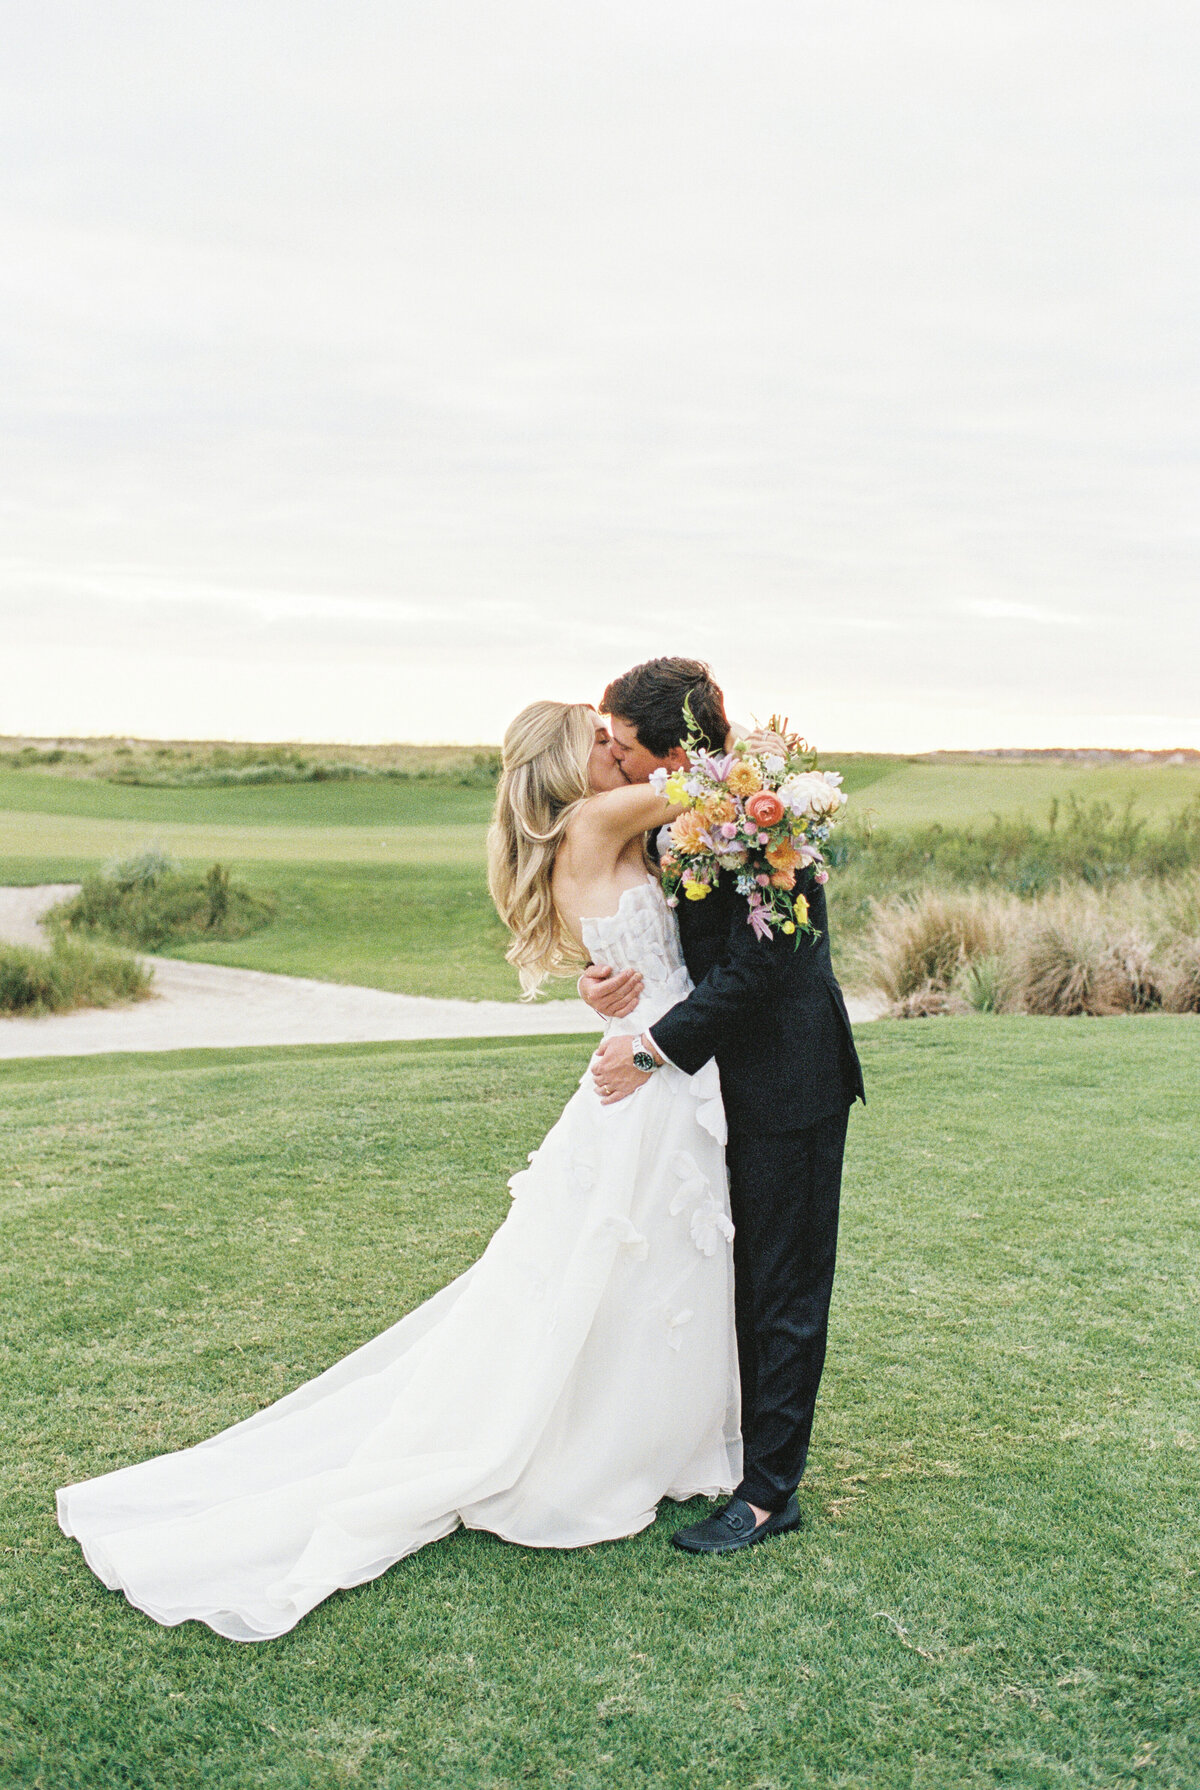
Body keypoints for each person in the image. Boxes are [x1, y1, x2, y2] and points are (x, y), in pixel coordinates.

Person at [56, 701, 740, 1642]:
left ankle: (651, 1438)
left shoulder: (595, 833)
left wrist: (607, 987)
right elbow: (711, 788)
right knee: (634, 1268)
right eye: (599, 737)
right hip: (650, 1083)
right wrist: (767, 767)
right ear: (565, 764)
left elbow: (644, 941)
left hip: (654, 1070)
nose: (614, 747)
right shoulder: (596, 819)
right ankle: (601, 1453)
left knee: (642, 1271)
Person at [581, 657, 864, 1555]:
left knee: (784, 1284)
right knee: (727, 1275)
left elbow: (765, 964)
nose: (614, 763)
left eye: (623, 747)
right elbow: (684, 943)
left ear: (671, 750)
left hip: (790, 1077)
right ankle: (729, 1448)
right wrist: (612, 985)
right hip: (716, 1088)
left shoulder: (756, 812)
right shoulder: (687, 815)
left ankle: (770, 1493)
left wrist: (654, 1047)